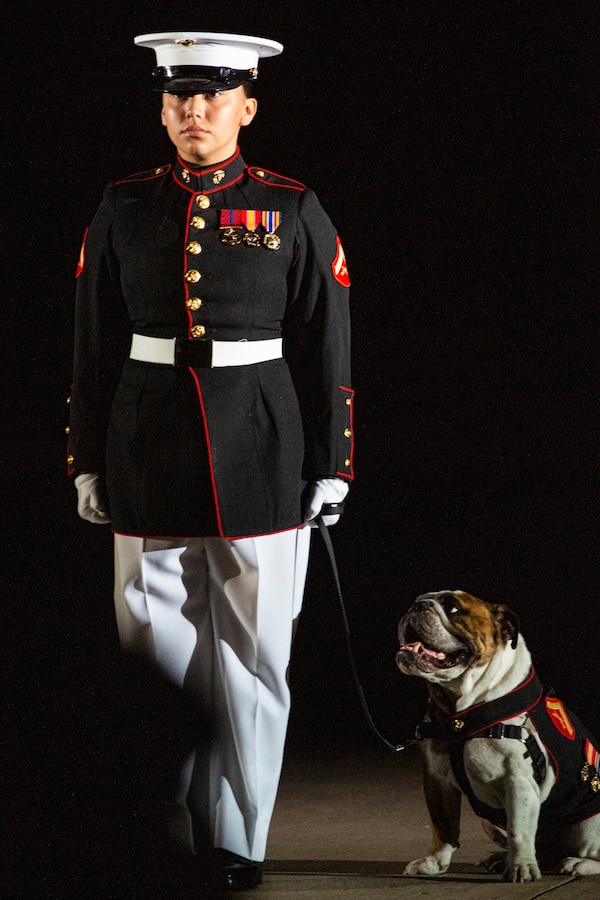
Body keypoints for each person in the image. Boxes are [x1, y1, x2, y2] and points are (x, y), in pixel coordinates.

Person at [68, 30, 353, 892]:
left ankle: (236, 841)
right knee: (153, 654)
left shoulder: (289, 205)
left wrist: (333, 462)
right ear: (163, 110)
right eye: (180, 97)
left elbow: (328, 341)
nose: (196, 110)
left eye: (214, 96)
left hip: (259, 442)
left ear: (247, 107)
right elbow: (92, 341)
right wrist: (86, 459)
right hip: (145, 438)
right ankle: (166, 837)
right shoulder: (124, 204)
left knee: (253, 659)